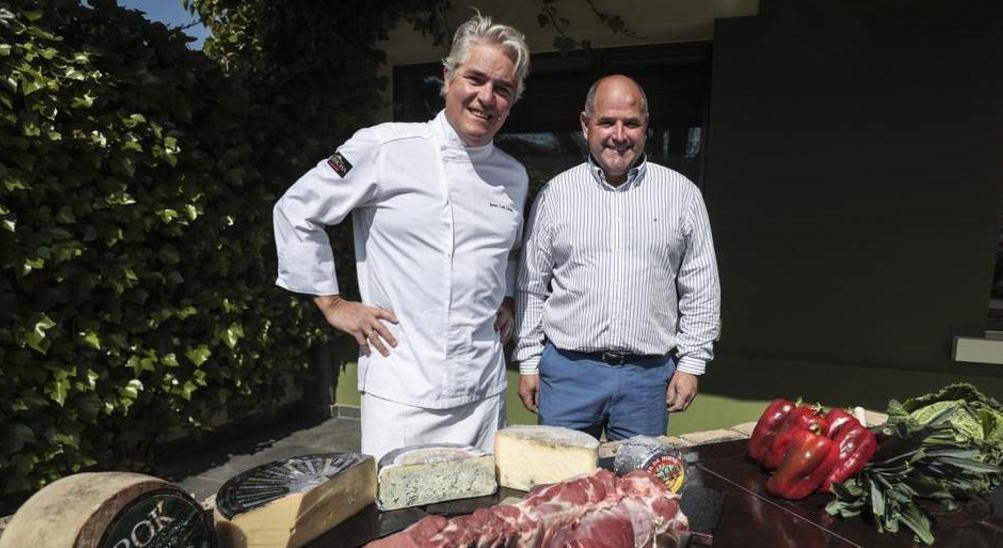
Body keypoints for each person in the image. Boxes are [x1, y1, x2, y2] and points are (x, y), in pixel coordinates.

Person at [273, 13, 530, 460]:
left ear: (512, 99)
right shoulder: (383, 148)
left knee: (478, 522)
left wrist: (506, 296)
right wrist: (332, 304)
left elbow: (506, 251)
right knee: (400, 522)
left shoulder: (514, 175)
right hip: (402, 391)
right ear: (448, 77)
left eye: (503, 88)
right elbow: (296, 210)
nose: (486, 97)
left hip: (483, 391)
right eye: (475, 78)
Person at [513, 74, 721, 440]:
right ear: (585, 124)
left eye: (632, 123)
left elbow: (701, 285)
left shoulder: (681, 195)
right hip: (567, 375)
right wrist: (529, 360)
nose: (619, 135)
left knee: (640, 489)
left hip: (647, 380)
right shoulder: (555, 195)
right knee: (560, 488)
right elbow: (531, 284)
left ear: (646, 127)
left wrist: (691, 364)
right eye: (607, 121)